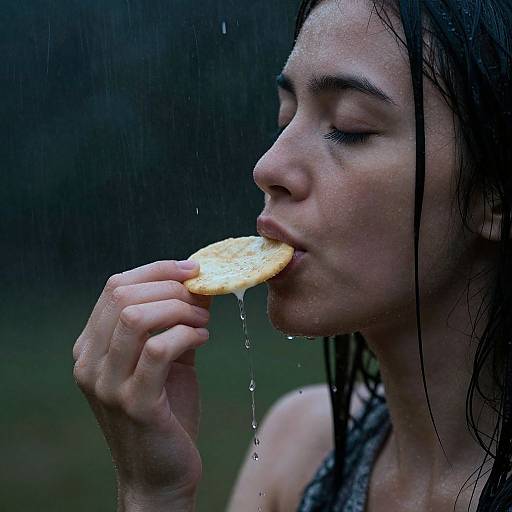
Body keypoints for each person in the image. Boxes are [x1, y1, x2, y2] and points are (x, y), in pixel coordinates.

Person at [72, 0, 512, 510]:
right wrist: (154, 493)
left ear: (496, 194)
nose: (268, 165)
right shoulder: (297, 448)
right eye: (287, 116)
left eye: (349, 127)